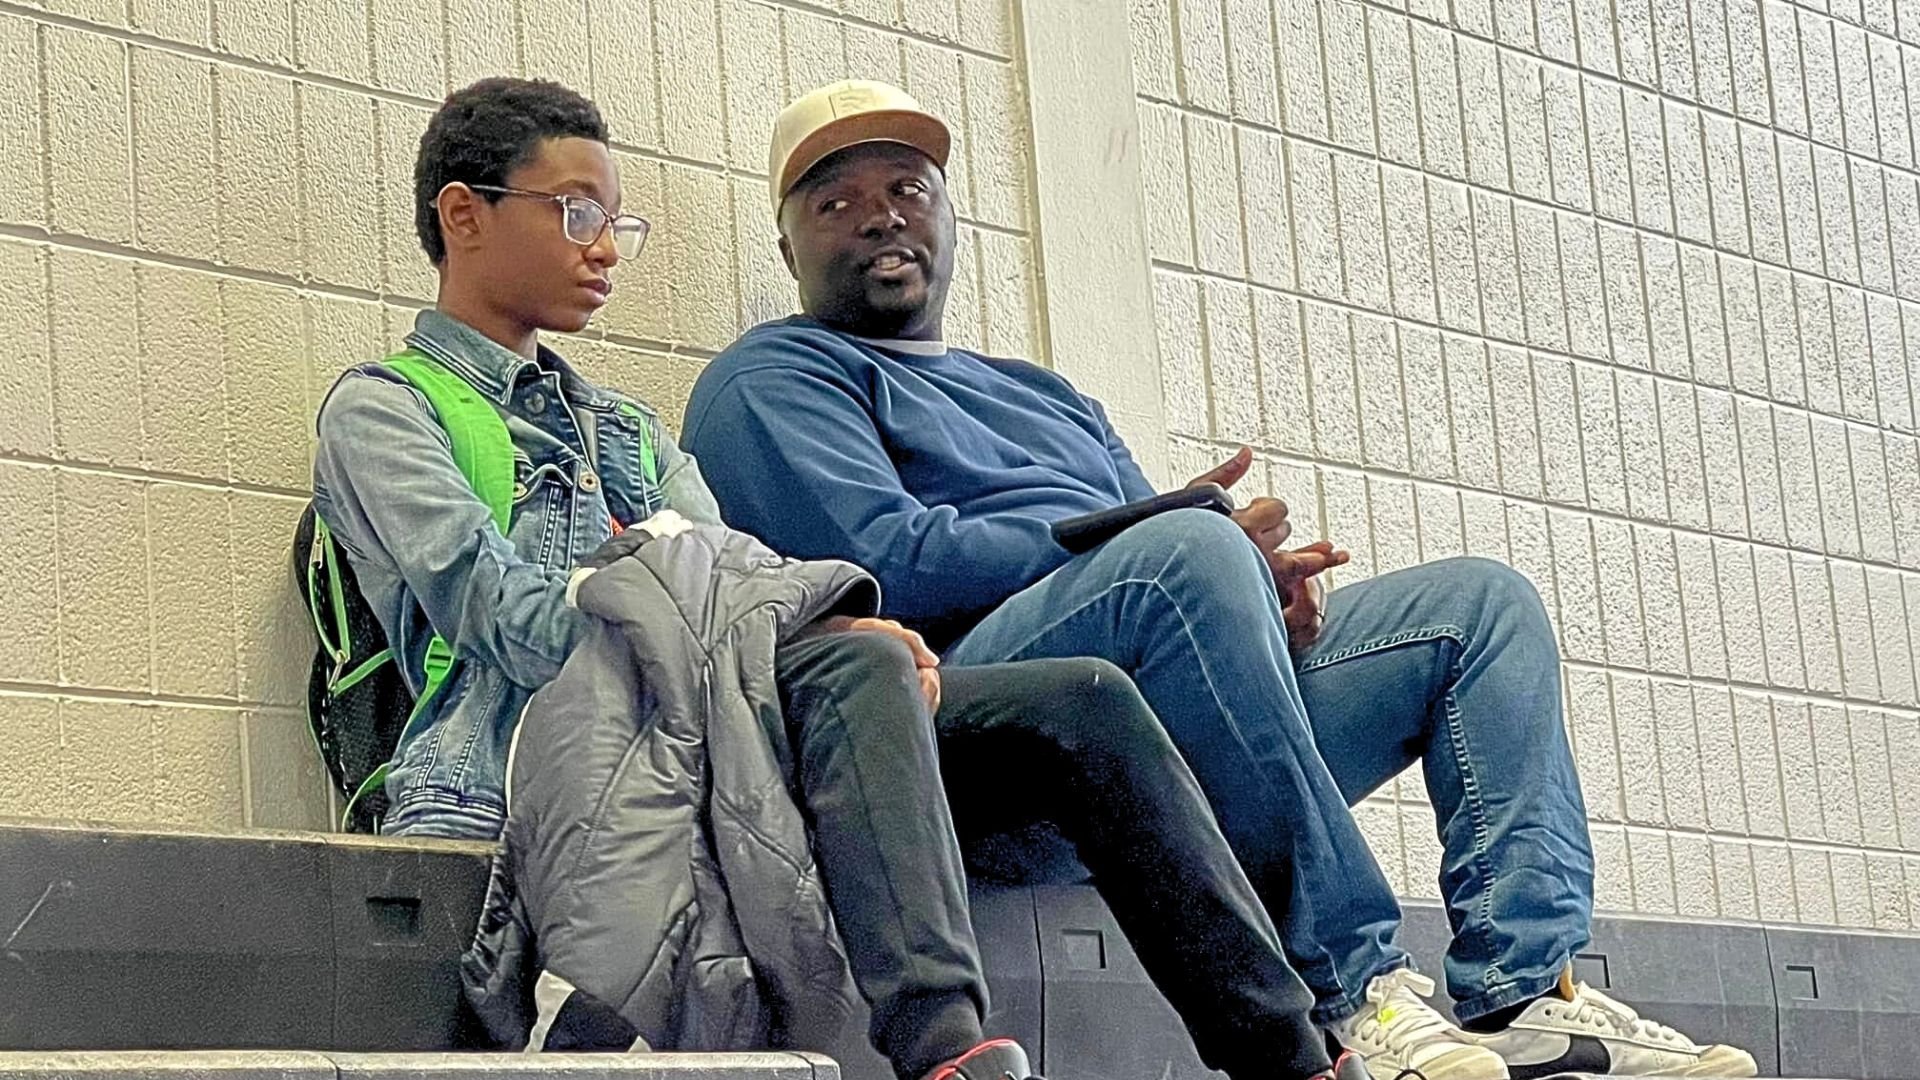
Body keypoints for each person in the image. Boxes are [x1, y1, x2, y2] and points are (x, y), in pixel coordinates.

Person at [682, 79, 1761, 1080]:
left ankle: (1523, 994)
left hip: (1157, 751)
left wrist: (1258, 594)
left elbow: (1159, 575)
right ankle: (1351, 993)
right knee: (1187, 553)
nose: (880, 217)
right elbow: (881, 564)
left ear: (953, 221)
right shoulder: (772, 376)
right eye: (836, 202)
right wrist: (1161, 537)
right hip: (973, 737)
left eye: (908, 190)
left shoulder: (1046, 397)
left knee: (1475, 607)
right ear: (787, 244)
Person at [311, 76, 1353, 1080]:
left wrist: (829, 622)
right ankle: (948, 1050)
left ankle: (1293, 1056)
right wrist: (730, 608)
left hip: (719, 737)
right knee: (853, 669)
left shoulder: (629, 430)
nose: (603, 250)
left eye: (617, 224)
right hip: (523, 770)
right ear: (465, 216)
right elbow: (503, 617)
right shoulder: (387, 411)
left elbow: (744, 580)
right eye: (578, 210)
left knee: (1075, 698)